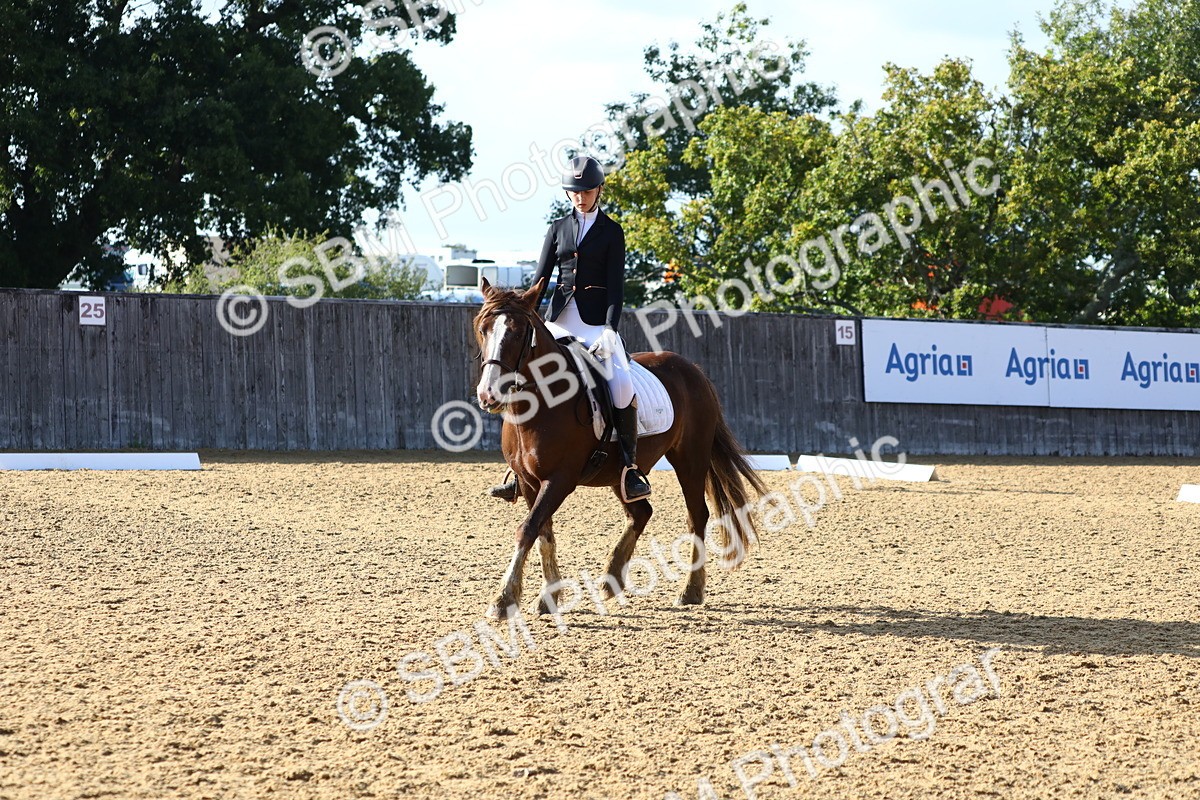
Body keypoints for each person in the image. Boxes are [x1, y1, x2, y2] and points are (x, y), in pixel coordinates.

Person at [489, 155, 652, 503]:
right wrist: (525, 311)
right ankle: (516, 470)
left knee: (621, 384)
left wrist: (611, 327)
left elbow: (616, 286)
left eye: (587, 191)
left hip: (596, 325)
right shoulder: (557, 228)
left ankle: (629, 467)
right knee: (525, 374)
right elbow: (540, 278)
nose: (581, 197)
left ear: (599, 191)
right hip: (559, 320)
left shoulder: (612, 231)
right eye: (575, 192)